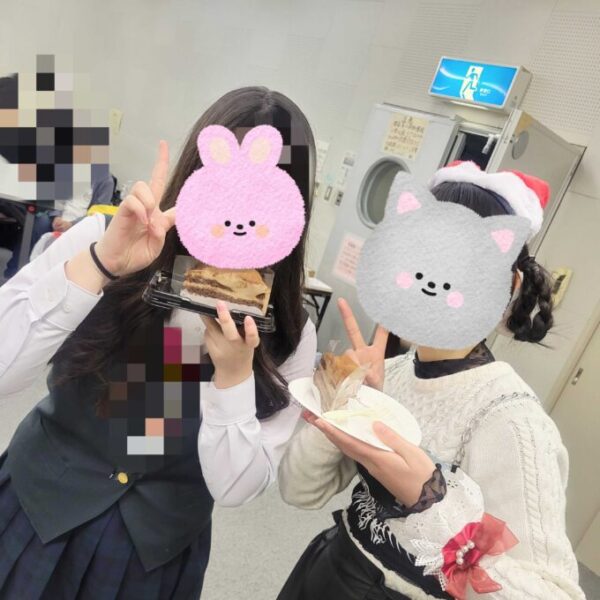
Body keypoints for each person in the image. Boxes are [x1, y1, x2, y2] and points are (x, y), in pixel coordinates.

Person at [0, 87, 317, 598]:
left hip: (152, 559)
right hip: (37, 511)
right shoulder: (106, 238)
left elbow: (237, 488)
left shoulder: (290, 329)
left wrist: (235, 378)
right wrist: (100, 265)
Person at [277, 164, 585, 599]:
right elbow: (298, 491)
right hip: (329, 568)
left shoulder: (511, 421)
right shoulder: (395, 371)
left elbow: (553, 593)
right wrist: (345, 402)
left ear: (508, 285)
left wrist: (430, 503)